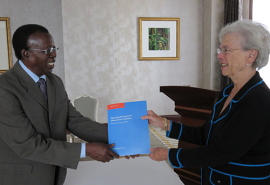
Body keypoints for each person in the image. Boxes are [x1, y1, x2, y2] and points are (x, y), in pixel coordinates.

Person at [142, 19, 270, 184]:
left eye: (227, 50)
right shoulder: (227, 93)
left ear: (251, 55)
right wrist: (165, 124)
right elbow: (206, 135)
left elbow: (219, 153)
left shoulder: (258, 101)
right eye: (220, 49)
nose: (219, 56)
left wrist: (169, 155)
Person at [0, 24, 120, 185]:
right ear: (25, 53)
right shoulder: (5, 87)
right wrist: (86, 150)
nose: (54, 54)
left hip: (55, 174)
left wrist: (124, 138)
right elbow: (27, 145)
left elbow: (75, 121)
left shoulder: (55, 82)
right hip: (21, 177)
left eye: (54, 48)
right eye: (46, 50)